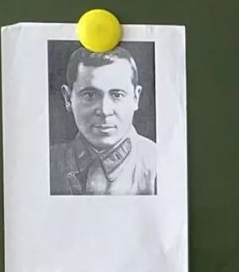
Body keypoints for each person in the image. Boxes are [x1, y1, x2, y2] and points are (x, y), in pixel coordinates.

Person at [49, 46, 159, 195]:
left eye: (117, 95)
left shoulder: (159, 163)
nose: (105, 111)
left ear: (135, 98)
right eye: (89, 95)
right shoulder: (47, 163)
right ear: (68, 98)